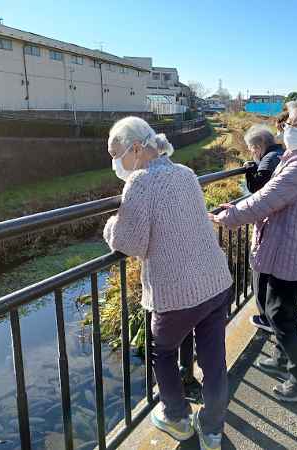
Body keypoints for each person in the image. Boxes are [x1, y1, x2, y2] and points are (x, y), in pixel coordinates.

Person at [103, 116, 232, 449]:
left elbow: (129, 242)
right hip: (216, 283)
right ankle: (212, 429)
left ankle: (176, 416)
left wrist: (109, 227)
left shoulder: (140, 183)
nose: (115, 163)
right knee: (215, 361)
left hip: (179, 293)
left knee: (162, 351)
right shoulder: (186, 173)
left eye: (116, 154)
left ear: (135, 148)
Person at [210, 96, 297, 402]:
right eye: (288, 122)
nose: (288, 128)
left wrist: (229, 216)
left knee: (280, 314)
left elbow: (265, 199)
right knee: (279, 309)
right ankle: (281, 359)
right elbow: (269, 196)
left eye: (296, 124)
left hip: (292, 252)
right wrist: (236, 205)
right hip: (289, 248)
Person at [242, 124, 284, 334]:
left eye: (251, 149)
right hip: (284, 222)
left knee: (261, 270)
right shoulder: (283, 153)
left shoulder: (268, 160)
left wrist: (249, 171)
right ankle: (281, 312)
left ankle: (266, 317)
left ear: (258, 146)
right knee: (278, 273)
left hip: (270, 224)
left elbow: (257, 189)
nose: (252, 153)